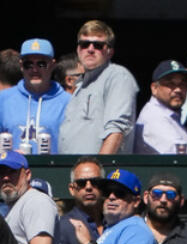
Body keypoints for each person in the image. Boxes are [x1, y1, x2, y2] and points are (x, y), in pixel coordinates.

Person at [57, 19, 138, 155]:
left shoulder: (118, 76)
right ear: (78, 49)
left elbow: (116, 131)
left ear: (110, 52)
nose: (90, 49)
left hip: (98, 173)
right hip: (74, 172)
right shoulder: (80, 85)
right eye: (84, 44)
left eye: (98, 45)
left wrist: (98, 170)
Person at [67, 168, 157, 244]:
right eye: (107, 192)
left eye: (119, 193)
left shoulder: (136, 228)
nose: (111, 197)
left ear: (136, 202)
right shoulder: (113, 228)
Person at [0, 38, 69, 154]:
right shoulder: (4, 98)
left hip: (51, 171)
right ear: (21, 66)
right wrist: (9, 155)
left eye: (41, 64)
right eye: (28, 64)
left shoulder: (68, 101)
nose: (34, 69)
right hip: (12, 170)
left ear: (53, 65)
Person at [0, 151, 62, 244]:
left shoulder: (35, 200)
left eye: (12, 172)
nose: (6, 178)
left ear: (28, 174)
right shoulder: (16, 206)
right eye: (1, 173)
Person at [135, 61, 187, 154]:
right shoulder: (153, 116)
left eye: (182, 84)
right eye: (170, 84)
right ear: (154, 88)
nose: (178, 89)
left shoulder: (169, 114)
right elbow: (185, 157)